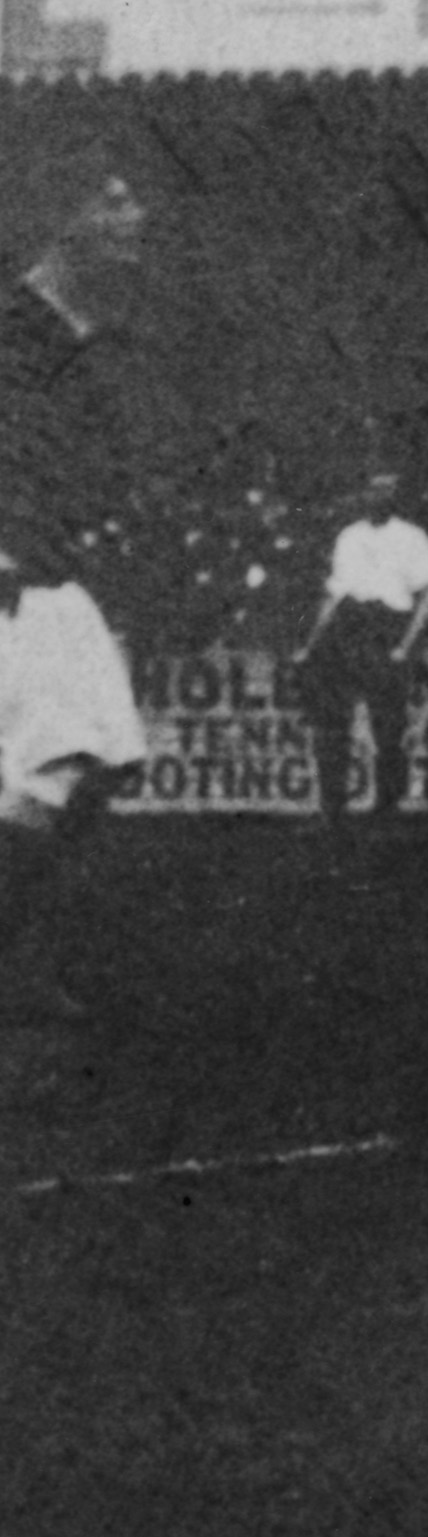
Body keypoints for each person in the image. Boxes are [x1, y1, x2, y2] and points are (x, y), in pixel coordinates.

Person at [0, 167, 156, 1026]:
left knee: (91, 766)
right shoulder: (15, 328)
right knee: (45, 776)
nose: (137, 215)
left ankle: (21, 959)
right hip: (15, 577)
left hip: (58, 576)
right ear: (63, 213)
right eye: (114, 199)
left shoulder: (82, 334)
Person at [294, 464, 428, 818]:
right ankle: (333, 807)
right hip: (348, 627)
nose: (380, 495)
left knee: (388, 725)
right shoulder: (348, 536)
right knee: (331, 721)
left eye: (388, 488)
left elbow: (427, 595)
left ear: (397, 495)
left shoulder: (413, 537)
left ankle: (387, 807)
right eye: (374, 488)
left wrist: (405, 645)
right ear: (363, 494)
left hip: (387, 627)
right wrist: (311, 644)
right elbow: (334, 596)